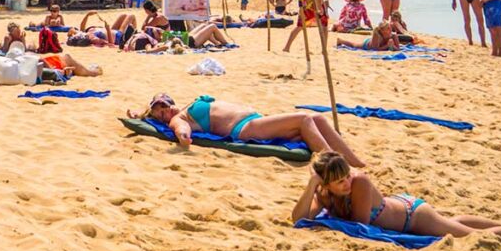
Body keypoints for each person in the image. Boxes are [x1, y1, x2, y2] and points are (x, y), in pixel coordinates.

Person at [292, 152, 501, 242]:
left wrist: (323, 199)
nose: (347, 183)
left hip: (412, 216)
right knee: (453, 222)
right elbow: (298, 218)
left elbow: (359, 225)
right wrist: (312, 185)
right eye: (340, 181)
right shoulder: (323, 191)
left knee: (470, 236)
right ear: (326, 184)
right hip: (401, 208)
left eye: (346, 176)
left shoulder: (359, 182)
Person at [131, 94, 365, 166]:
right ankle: (335, 168)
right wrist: (182, 135)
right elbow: (181, 130)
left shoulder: (185, 106)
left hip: (256, 120)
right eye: (160, 115)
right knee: (304, 119)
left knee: (318, 118)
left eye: (164, 106)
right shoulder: (180, 118)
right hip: (245, 128)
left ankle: (355, 163)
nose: (165, 112)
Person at [67, 11, 136, 47]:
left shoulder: (84, 34)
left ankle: (133, 32)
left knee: (123, 15)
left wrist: (87, 15)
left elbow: (81, 28)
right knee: (131, 16)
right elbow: (110, 43)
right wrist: (108, 29)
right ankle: (133, 34)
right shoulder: (93, 39)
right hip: (118, 36)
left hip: (112, 30)